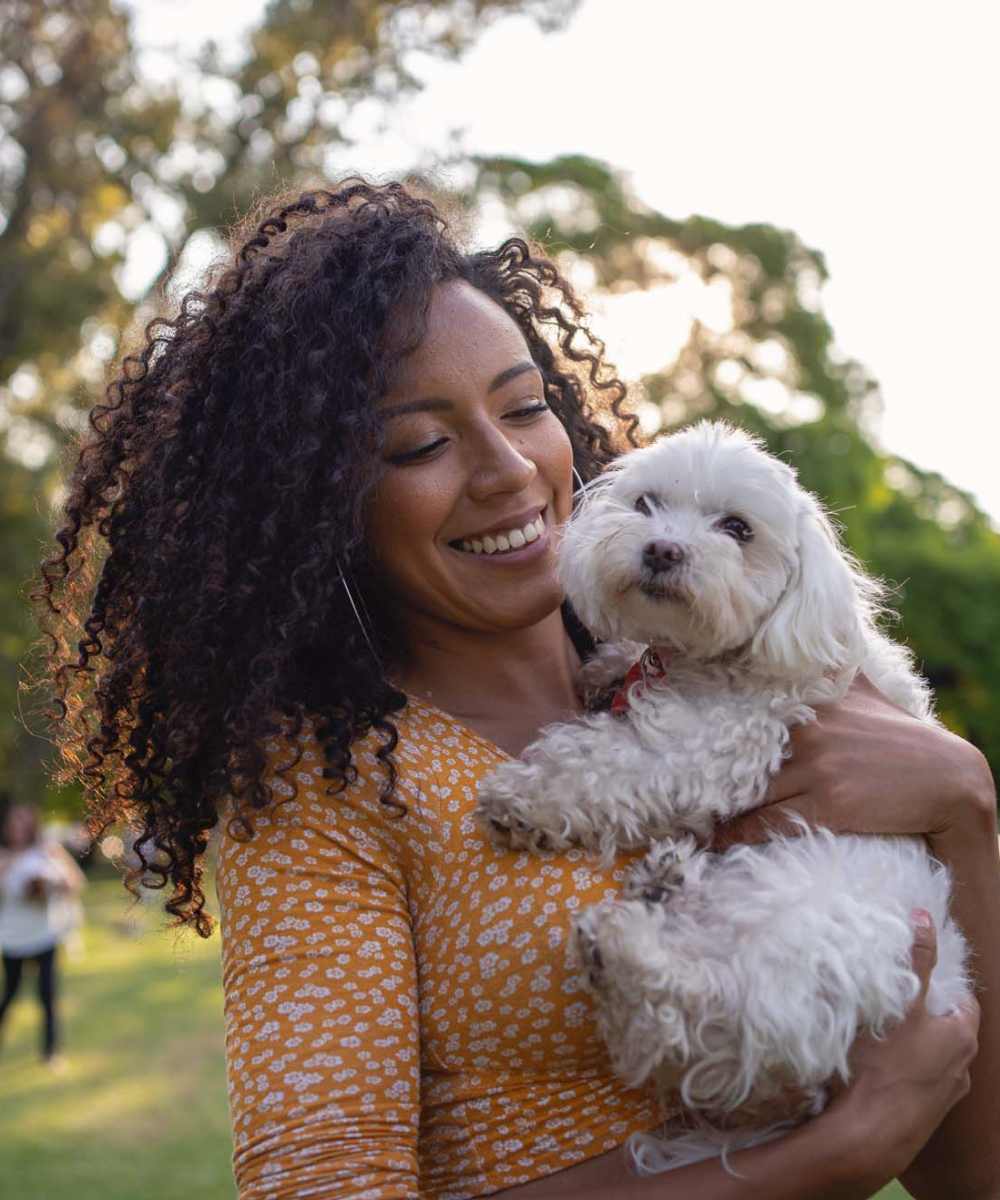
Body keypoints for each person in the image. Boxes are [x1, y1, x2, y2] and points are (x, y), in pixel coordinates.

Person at [31, 178, 999, 1198]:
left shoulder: (742, 675)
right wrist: (830, 1155)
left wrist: (964, 809)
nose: (506, 468)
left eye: (526, 406)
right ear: (322, 506)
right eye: (421, 444)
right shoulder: (327, 789)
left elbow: (971, 1173)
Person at [0, 803, 85, 1065]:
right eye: (15, 823)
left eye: (24, 823)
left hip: (45, 934)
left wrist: (53, 884)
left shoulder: (48, 851)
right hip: (13, 937)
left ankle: (51, 1053)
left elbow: (76, 883)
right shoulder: (3, 856)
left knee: (47, 995)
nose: (19, 829)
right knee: (10, 993)